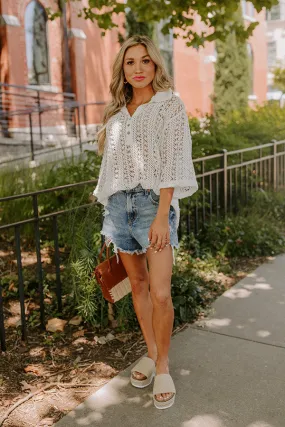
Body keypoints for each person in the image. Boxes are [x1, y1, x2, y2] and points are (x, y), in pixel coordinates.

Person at [93, 34, 198, 409]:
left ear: (155, 65)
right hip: (121, 207)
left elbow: (171, 164)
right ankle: (152, 355)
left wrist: (161, 216)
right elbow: (111, 169)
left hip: (154, 205)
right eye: (130, 62)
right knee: (137, 285)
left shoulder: (170, 106)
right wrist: (110, 216)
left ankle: (165, 365)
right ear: (122, 70)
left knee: (160, 292)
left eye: (145, 61)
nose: (138, 69)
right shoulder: (116, 114)